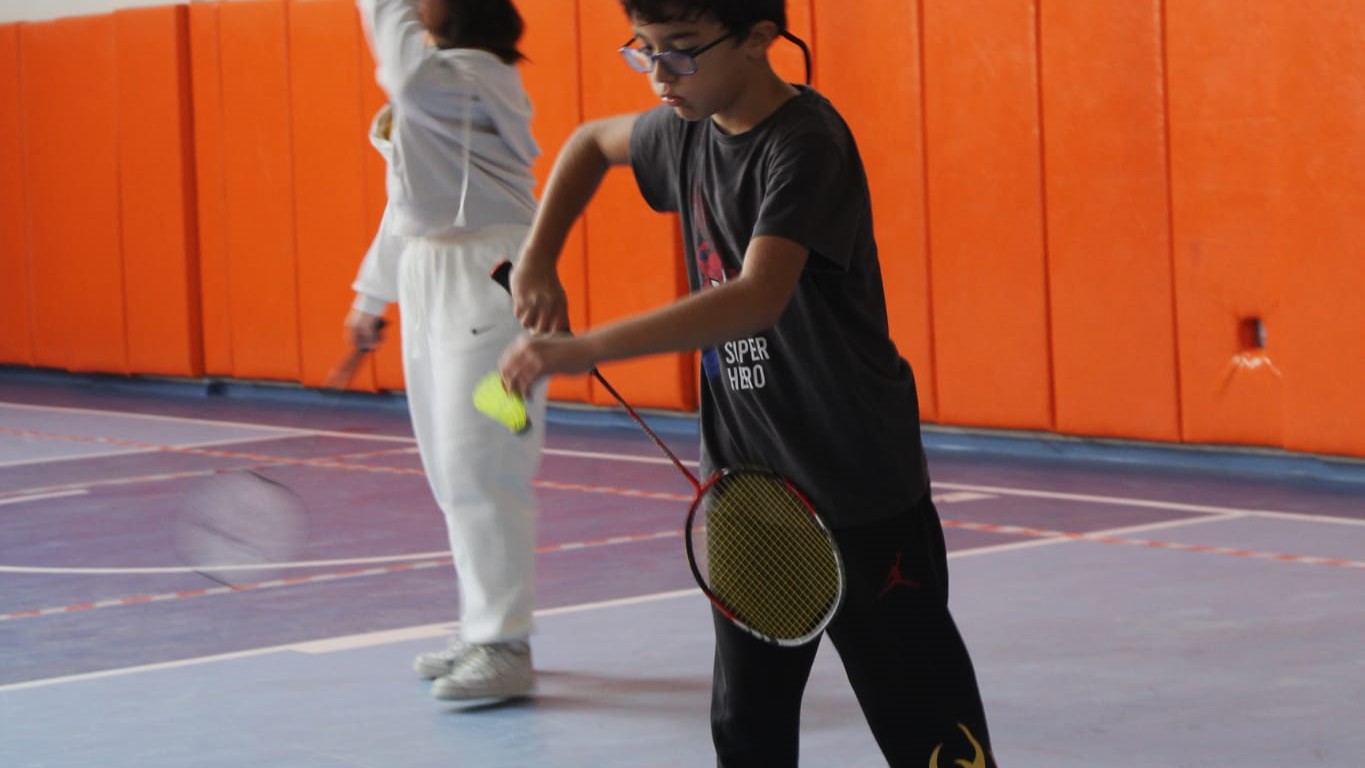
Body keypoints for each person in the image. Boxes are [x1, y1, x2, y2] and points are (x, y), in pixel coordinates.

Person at [498, 0, 1000, 764]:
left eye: (684, 51)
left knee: (928, 732)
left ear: (760, 40)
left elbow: (756, 297)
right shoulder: (683, 129)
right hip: (745, 499)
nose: (662, 74)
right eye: (645, 50)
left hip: (858, 488)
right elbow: (587, 146)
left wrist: (588, 347)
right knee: (748, 728)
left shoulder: (805, 144)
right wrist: (537, 258)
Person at [345, 0, 546, 701]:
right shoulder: (436, 84)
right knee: (448, 470)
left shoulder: (473, 77)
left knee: (482, 465)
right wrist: (370, 300)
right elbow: (408, 204)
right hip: (429, 277)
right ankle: (482, 626)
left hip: (491, 285)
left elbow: (403, 75)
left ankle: (504, 644)